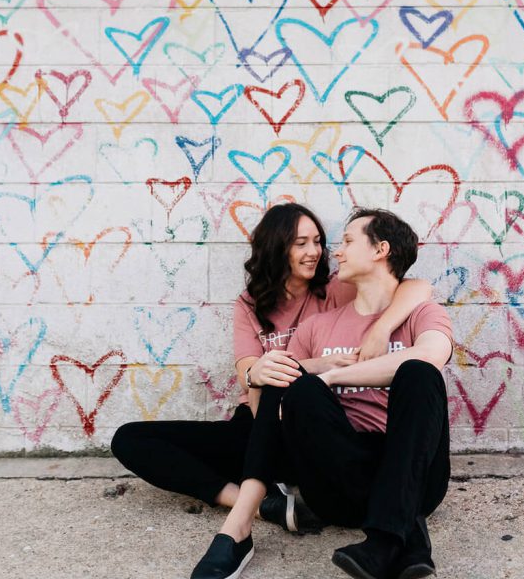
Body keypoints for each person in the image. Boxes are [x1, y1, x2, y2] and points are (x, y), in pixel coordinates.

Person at [111, 202, 429, 535]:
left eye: (318, 241)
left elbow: (416, 287)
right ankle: (263, 505)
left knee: (288, 385)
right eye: (301, 243)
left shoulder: (336, 289)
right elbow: (251, 375)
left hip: (312, 425)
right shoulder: (249, 305)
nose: (315, 252)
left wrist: (381, 330)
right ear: (276, 246)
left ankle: (258, 499)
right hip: (259, 424)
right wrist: (314, 365)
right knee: (131, 439)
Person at [189, 207, 453, 579]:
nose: (337, 252)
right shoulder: (318, 326)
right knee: (285, 373)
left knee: (419, 373)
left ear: (380, 250)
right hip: (341, 481)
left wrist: (333, 375)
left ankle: (384, 540)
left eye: (347, 241)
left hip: (415, 473)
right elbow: (279, 398)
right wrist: (298, 385)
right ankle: (238, 529)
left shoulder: (421, 313)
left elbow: (430, 354)